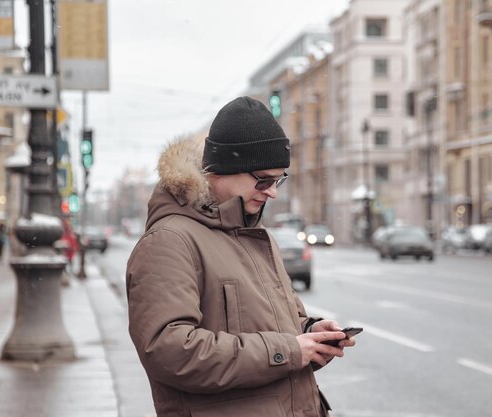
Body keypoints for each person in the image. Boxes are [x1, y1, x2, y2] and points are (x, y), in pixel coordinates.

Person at [126, 96, 356, 417]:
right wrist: (289, 351)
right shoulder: (169, 241)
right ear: (221, 170)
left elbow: (274, 327)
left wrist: (311, 335)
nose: (272, 191)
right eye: (263, 179)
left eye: (278, 180)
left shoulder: (255, 234)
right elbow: (170, 352)